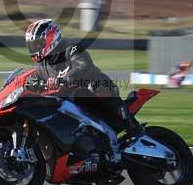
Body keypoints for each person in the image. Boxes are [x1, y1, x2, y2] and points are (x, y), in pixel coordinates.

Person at [24, 18, 140, 160]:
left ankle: (130, 124)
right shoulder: (42, 66)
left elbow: (82, 65)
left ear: (51, 38)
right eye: (32, 45)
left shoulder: (71, 48)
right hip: (71, 101)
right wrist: (25, 86)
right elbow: (31, 81)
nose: (35, 48)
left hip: (95, 87)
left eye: (38, 44)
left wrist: (65, 78)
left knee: (92, 89)